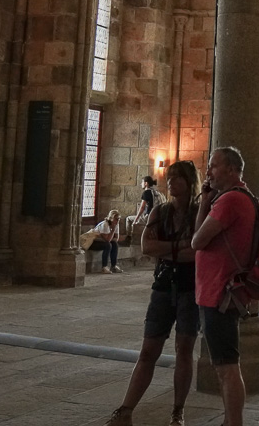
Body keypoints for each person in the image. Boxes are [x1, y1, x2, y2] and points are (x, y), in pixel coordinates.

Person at [106, 161, 201, 426]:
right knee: (148, 350)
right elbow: (147, 246)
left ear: (189, 181)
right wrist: (180, 247)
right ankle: (125, 410)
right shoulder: (160, 212)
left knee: (184, 349)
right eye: (169, 178)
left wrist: (170, 249)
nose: (170, 183)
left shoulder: (199, 213)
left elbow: (200, 251)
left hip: (190, 287)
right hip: (164, 285)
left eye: (176, 178)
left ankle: (177, 412)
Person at [192, 147, 256, 426]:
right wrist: (206, 202)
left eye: (213, 166)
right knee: (225, 364)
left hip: (219, 292)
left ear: (231, 169)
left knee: (227, 367)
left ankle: (233, 423)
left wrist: (209, 204)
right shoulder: (242, 197)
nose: (208, 172)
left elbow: (196, 241)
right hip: (223, 290)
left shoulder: (230, 201)